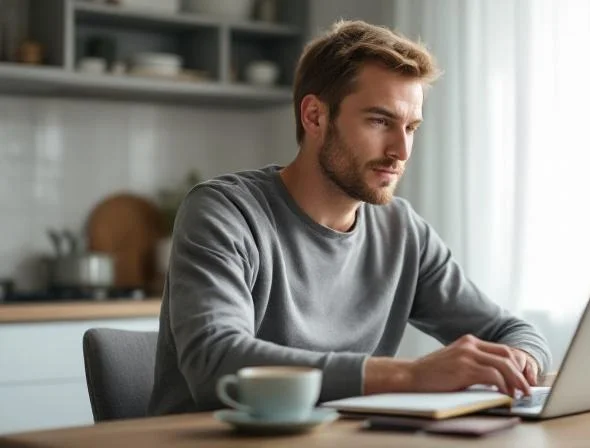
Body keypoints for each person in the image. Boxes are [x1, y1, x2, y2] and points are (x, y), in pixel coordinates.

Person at [148, 19, 551, 416]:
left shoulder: (402, 232)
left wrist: (518, 362)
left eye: (411, 127)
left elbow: (515, 333)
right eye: (380, 121)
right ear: (315, 117)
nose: (402, 150)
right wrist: (409, 376)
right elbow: (216, 362)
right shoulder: (225, 213)